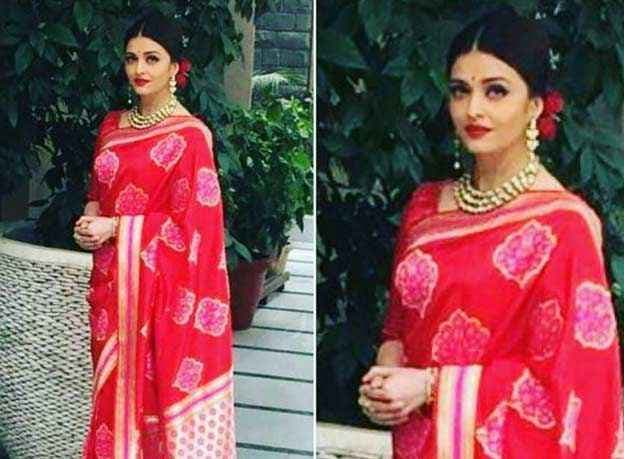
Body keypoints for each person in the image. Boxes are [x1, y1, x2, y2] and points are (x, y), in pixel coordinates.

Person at [358, 6, 623, 458]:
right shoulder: (425, 207)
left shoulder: (564, 227)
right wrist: (384, 383)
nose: (473, 109)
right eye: (460, 91)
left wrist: (432, 386)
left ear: (534, 105)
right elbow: (398, 327)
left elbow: (575, 384)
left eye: (496, 91)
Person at [73, 10, 235, 458]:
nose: (139, 69)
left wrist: (116, 228)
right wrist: (89, 224)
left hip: (162, 297)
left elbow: (196, 230)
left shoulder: (191, 138)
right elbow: (97, 193)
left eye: (152, 58)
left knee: (151, 400)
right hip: (112, 290)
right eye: (131, 58)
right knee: (110, 397)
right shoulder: (112, 126)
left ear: (174, 67)